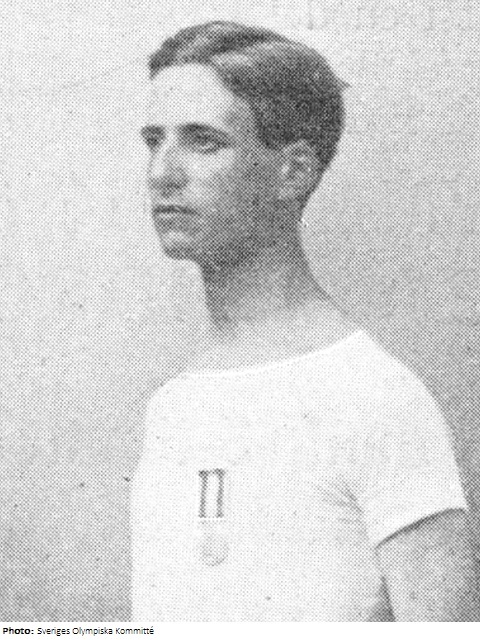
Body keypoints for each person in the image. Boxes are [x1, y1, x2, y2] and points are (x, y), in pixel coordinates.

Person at [131, 21, 479, 621]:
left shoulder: (376, 398)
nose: (162, 172)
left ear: (293, 172)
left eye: (203, 141)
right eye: (153, 140)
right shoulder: (173, 406)